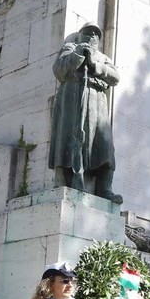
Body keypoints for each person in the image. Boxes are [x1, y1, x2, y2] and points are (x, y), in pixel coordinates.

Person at [48, 23, 123, 203]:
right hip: (72, 100)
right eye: (87, 32)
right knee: (69, 140)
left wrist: (95, 64)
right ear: (80, 35)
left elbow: (116, 77)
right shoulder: (70, 48)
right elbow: (59, 70)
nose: (91, 36)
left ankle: (105, 189)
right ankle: (67, 180)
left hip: (97, 103)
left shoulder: (103, 57)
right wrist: (78, 55)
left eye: (95, 34)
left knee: (104, 146)